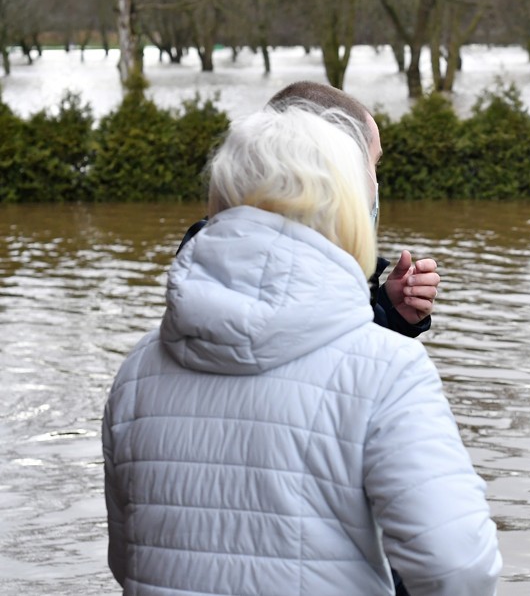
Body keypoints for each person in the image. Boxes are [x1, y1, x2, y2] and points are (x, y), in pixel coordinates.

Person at [104, 105, 502, 595]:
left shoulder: (138, 370)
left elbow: (127, 561)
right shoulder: (388, 370)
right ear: (348, 204)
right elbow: (459, 569)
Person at [176, 81, 439, 340]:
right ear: (337, 171)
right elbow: (342, 363)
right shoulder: (322, 282)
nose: (375, 182)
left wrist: (388, 312)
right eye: (373, 163)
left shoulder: (162, 337)